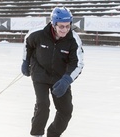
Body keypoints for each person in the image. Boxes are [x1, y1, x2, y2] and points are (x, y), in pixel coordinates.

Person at [21, 7, 84, 137]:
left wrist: (66, 80)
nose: (65, 30)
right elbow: (28, 43)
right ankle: (36, 134)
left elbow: (77, 64)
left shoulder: (73, 40)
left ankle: (53, 134)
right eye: (61, 26)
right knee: (43, 105)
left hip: (60, 78)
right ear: (53, 24)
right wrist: (25, 61)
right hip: (40, 73)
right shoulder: (38, 34)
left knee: (66, 111)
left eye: (68, 26)